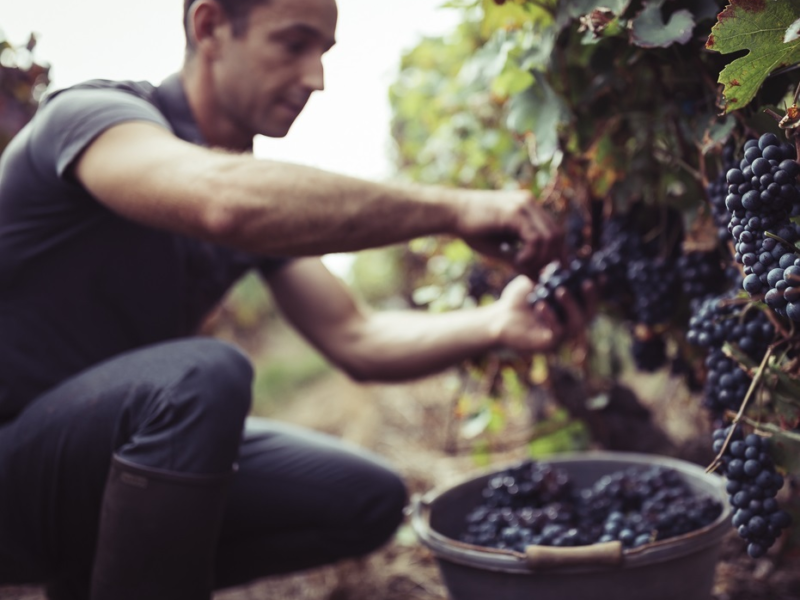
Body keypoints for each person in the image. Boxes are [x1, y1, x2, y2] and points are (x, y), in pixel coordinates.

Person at [0, 0, 594, 598]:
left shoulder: (249, 190)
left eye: (324, 52)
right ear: (209, 27)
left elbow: (359, 338)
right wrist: (455, 208)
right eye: (293, 43)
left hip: (100, 459)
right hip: (12, 471)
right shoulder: (92, 117)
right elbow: (222, 200)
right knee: (201, 379)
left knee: (365, 498)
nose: (316, 78)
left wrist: (496, 323)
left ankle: (97, 579)